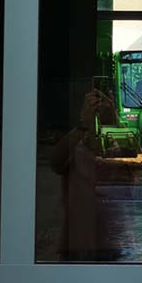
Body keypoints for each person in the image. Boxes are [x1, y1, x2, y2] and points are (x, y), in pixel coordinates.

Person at [50, 88, 120, 262]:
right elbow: (56, 163)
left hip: (110, 240)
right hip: (77, 241)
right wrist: (83, 125)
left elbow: (134, 168)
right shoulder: (76, 143)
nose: (98, 105)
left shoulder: (117, 141)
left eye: (105, 101)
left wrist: (112, 123)